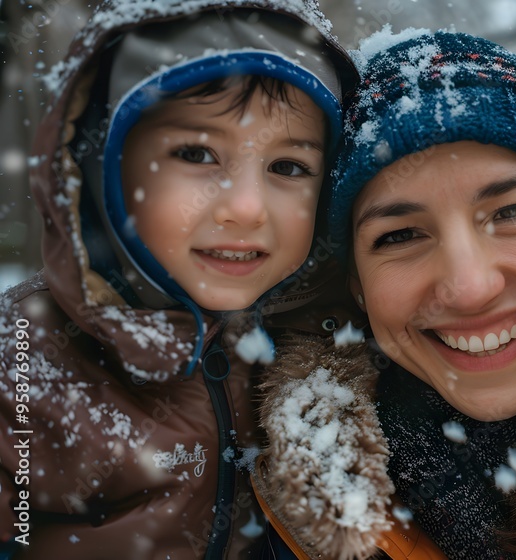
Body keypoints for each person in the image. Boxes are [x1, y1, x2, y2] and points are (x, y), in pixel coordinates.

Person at [0, 1, 357, 557]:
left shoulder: (320, 339)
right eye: (197, 153)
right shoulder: (24, 355)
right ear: (103, 167)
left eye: (288, 167)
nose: (246, 208)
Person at [251, 27, 516, 559]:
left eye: (512, 211)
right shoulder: (263, 522)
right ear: (357, 286)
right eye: (399, 235)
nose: (469, 288)